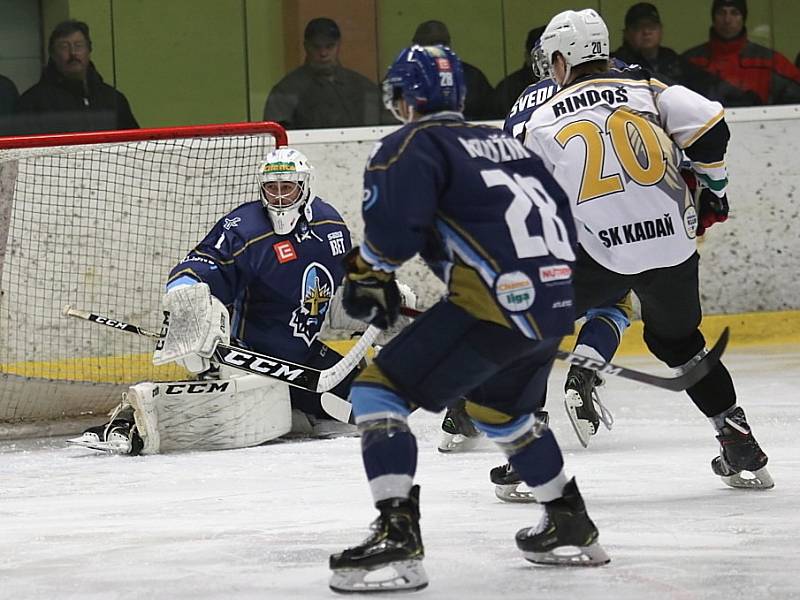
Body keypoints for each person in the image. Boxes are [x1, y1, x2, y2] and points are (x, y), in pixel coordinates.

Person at [328, 44, 609, 594]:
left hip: (494, 306)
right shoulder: (510, 144)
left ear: (406, 99)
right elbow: (560, 225)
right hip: (553, 303)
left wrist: (367, 276)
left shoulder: (409, 144)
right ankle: (568, 520)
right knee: (499, 412)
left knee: (375, 392)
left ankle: (398, 533)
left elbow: (392, 233)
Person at [523, 9, 773, 493]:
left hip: (601, 251)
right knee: (679, 343)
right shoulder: (646, 88)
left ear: (560, 60)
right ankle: (737, 439)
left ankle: (527, 454)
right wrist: (713, 188)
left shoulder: (539, 119)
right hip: (671, 246)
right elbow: (710, 123)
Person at [68, 148, 413, 455]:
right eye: (271, 188)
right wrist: (190, 301)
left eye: (287, 187)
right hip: (249, 360)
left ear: (305, 187)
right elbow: (201, 267)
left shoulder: (330, 226)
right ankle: (126, 425)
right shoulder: (244, 229)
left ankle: (297, 412)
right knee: (223, 426)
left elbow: (332, 299)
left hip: (304, 360)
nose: (278, 197)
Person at [15, 20, 138, 134]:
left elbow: (134, 146)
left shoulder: (113, 99)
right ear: (52, 54)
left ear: (89, 50)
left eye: (78, 45)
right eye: (64, 46)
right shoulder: (33, 103)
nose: (73, 52)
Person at [263, 17, 384, 129]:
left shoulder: (363, 87)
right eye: (316, 47)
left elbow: (381, 131)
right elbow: (277, 139)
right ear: (306, 47)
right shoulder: (287, 91)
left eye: (329, 46)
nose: (323, 53)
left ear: (338, 46)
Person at [683, 0, 800, 106]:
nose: (727, 20)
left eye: (734, 13)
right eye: (721, 12)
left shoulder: (770, 62)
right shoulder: (690, 61)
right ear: (713, 17)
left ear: (743, 18)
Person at [412, 20, 499, 120]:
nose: (436, 49)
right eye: (430, 43)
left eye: (441, 43)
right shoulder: (403, 77)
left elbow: (493, 118)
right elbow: (392, 122)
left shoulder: (473, 78)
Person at [494, 26, 545, 118]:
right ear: (527, 56)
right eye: (540, 55)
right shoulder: (508, 88)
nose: (546, 61)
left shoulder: (569, 81)